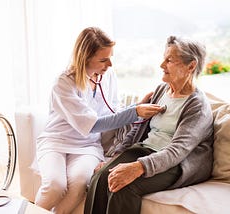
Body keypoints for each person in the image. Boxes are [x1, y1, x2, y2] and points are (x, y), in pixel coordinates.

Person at [34, 27, 163, 214]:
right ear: (85, 58)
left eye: (110, 57)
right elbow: (94, 124)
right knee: (55, 185)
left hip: (87, 146)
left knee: (79, 184)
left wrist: (136, 107)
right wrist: (135, 112)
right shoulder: (64, 83)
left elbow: (113, 110)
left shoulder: (108, 76)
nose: (109, 64)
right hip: (56, 142)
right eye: (103, 60)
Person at [84, 35, 214, 214]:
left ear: (191, 66)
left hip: (178, 163)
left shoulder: (197, 106)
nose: (162, 65)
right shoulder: (162, 90)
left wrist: (138, 167)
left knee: (122, 186)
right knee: (100, 176)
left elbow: (178, 151)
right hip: (146, 150)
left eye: (169, 60)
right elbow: (139, 128)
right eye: (164, 58)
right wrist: (115, 156)